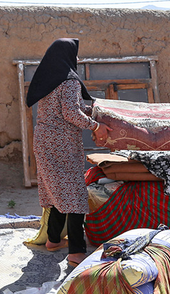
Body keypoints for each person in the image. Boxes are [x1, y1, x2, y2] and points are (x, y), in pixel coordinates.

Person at [26, 38, 111, 267]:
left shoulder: (49, 79)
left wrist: (91, 110)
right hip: (61, 146)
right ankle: (76, 252)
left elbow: (65, 108)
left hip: (44, 142)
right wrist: (96, 125)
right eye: (76, 54)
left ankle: (53, 240)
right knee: (74, 195)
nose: (78, 59)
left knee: (57, 193)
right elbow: (71, 114)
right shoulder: (70, 81)